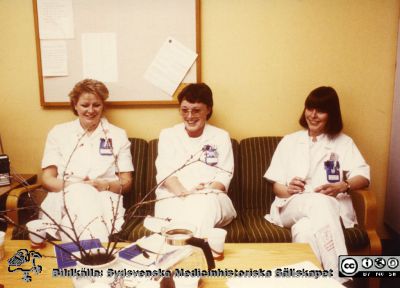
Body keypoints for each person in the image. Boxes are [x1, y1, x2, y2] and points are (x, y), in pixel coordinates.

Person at [264, 86, 370, 284]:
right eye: (309, 108)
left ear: (331, 114)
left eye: (320, 110)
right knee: (320, 202)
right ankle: (341, 278)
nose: (313, 115)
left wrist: (343, 185)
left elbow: (363, 176)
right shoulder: (289, 141)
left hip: (330, 212)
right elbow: (275, 185)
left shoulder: (344, 143)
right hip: (292, 206)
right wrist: (287, 189)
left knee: (304, 230)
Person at [40, 79, 133, 242]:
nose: (91, 110)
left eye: (96, 105)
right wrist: (74, 187)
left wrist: (104, 185)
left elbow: (127, 181)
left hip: (105, 196)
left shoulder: (118, 135)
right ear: (75, 105)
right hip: (64, 196)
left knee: (75, 216)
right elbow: (47, 179)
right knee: (81, 193)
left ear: (103, 105)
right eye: (85, 105)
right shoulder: (59, 133)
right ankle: (98, 256)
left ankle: (72, 261)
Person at [154, 83, 236, 237]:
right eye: (184, 110)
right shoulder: (168, 135)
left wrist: (203, 192)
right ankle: (197, 251)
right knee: (190, 210)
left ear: (208, 110)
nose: (189, 116)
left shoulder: (220, 136)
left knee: (203, 204)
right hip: (174, 197)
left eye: (196, 110)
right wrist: (185, 194)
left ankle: (185, 250)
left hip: (211, 197)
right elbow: (165, 174)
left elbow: (224, 176)